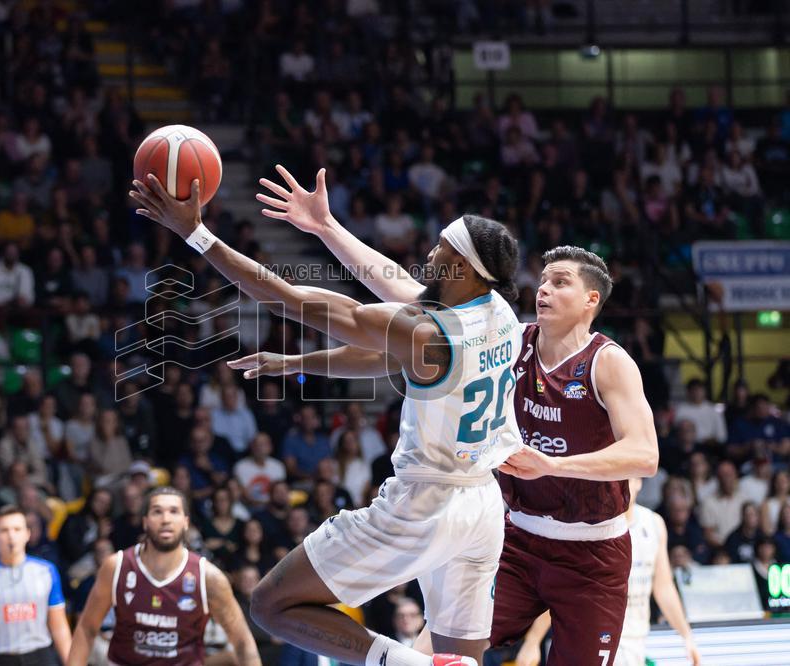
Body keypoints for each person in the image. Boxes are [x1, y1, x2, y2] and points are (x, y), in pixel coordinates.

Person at [239, 166, 658, 665]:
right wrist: (328, 230)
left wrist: (553, 465)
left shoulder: (606, 361)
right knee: (441, 653)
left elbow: (644, 455)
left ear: (592, 300)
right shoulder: (507, 330)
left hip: (589, 550)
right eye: (542, 280)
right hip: (514, 535)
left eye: (560, 282)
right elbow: (400, 298)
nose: (543, 289)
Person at [134, 165, 522, 666]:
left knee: (273, 604)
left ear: (465, 268)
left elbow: (289, 300)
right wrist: (326, 228)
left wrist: (196, 234)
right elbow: (396, 289)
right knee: (463, 656)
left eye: (443, 247)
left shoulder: (426, 332)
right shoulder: (501, 313)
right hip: (482, 505)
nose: (431, 252)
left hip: (426, 501)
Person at [514, 478, 701, 666]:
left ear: (639, 483)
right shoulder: (591, 526)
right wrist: (533, 640)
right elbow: (565, 590)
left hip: (635, 640)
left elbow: (663, 587)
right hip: (593, 638)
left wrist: (686, 635)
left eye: (629, 478)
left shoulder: (653, 524)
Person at [67, 486, 261, 665]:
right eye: (157, 511)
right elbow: (87, 628)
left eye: (174, 511)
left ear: (186, 522)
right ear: (145, 521)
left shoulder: (208, 577)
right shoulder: (116, 567)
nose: (166, 519)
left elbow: (242, 641)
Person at [0, 505, 72, 665]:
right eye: (4, 530)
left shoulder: (47, 571)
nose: (11, 536)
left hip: (40, 656)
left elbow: (59, 627)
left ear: (27, 534)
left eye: (17, 529)